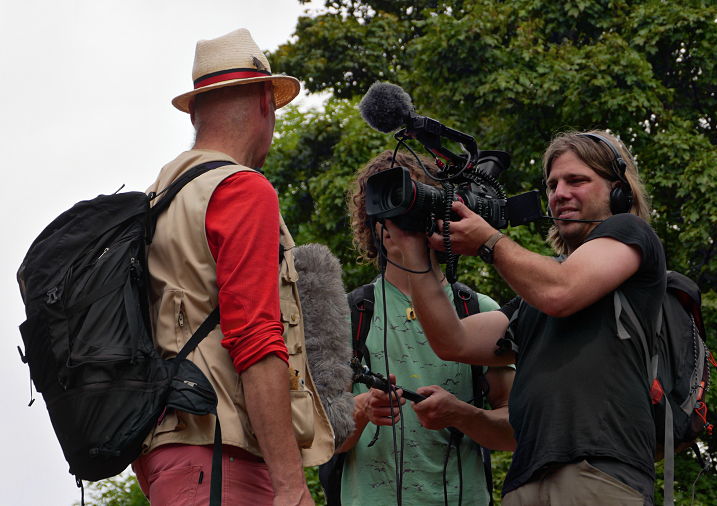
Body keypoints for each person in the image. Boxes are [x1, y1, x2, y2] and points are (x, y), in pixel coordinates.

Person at [386, 131, 666, 505]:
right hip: (525, 478)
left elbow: (560, 291)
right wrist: (412, 250)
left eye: (577, 180)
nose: (559, 193)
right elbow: (452, 341)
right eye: (552, 184)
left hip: (599, 470)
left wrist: (488, 240)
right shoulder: (533, 300)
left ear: (619, 191)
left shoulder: (631, 233)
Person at [131, 28, 334, 506]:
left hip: (172, 458)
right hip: (225, 458)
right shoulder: (240, 189)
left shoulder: (160, 197)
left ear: (196, 112)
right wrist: (289, 483)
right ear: (266, 102)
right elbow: (255, 337)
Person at [337, 150, 516, 505]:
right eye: (390, 208)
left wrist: (463, 415)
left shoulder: (479, 311)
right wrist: (361, 409)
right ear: (373, 223)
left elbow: (517, 431)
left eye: (414, 206)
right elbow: (318, 441)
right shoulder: (349, 314)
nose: (402, 220)